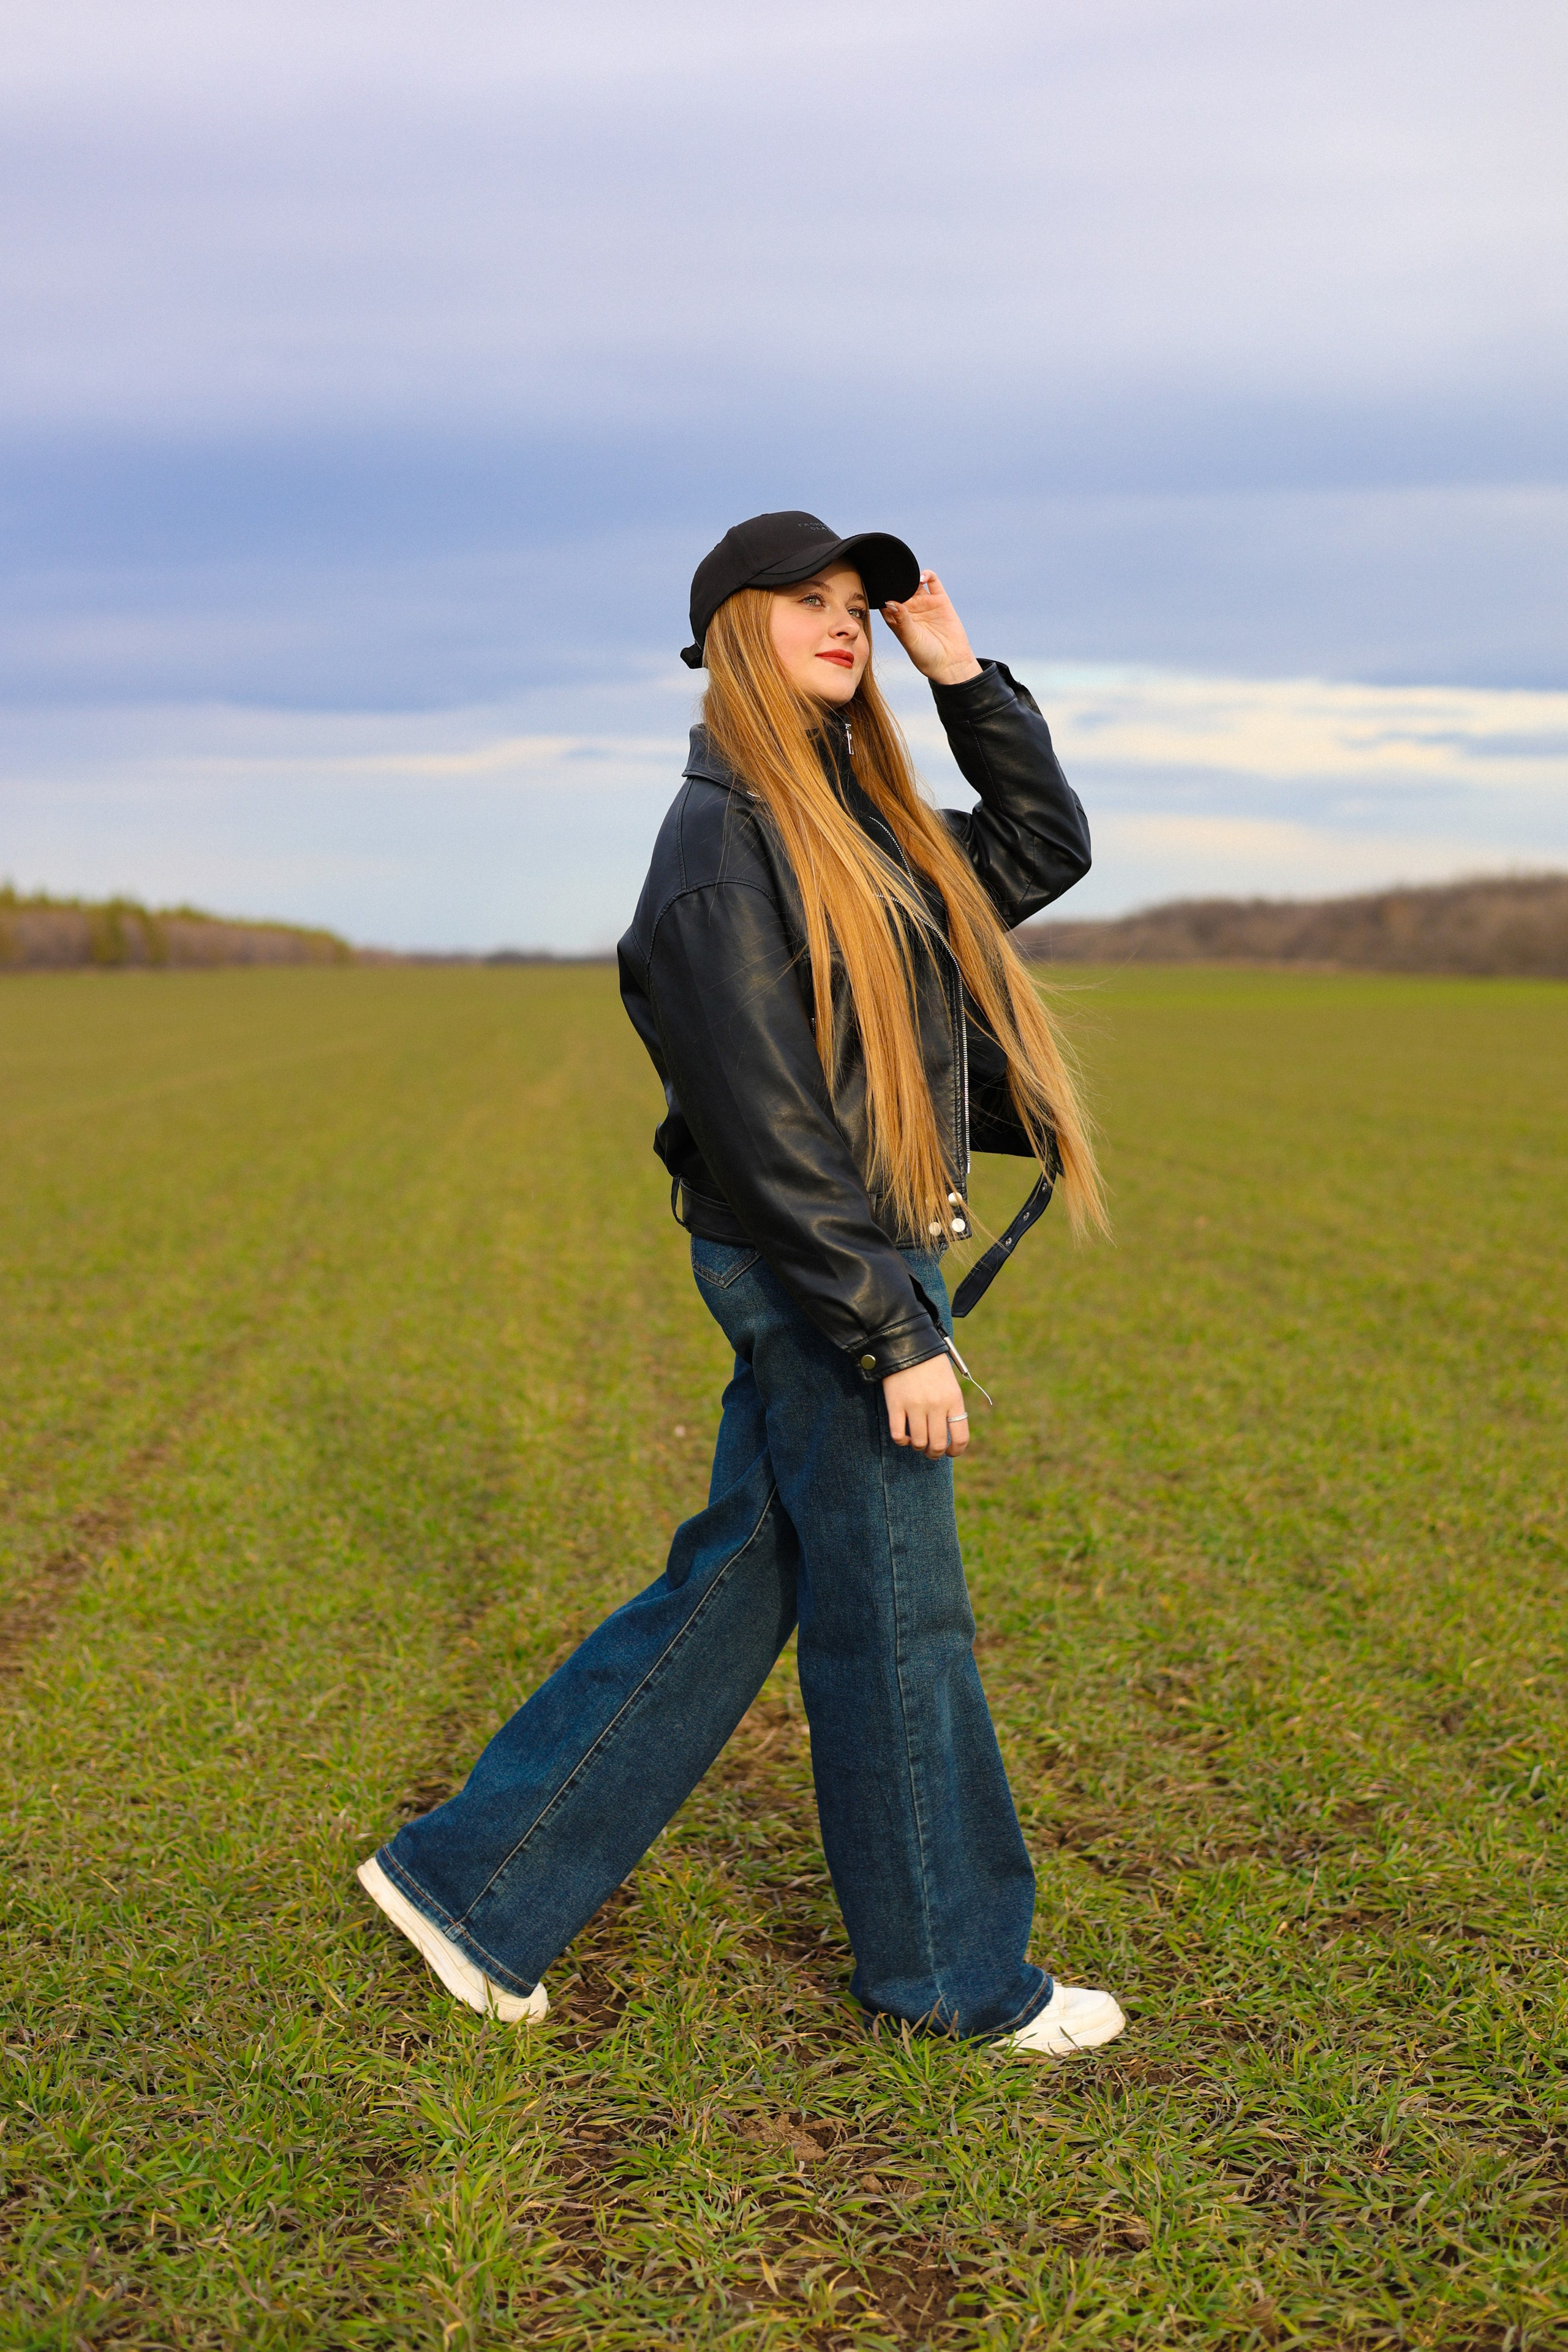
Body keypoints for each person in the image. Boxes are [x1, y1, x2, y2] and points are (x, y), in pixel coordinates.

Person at [358, 511, 1126, 2056]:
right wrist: (891, 1328)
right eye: (811, 603)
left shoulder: (858, 825)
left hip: (847, 1247)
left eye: (860, 603)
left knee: (744, 1579)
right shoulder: (722, 850)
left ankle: (469, 1884)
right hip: (819, 1259)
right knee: (899, 1616)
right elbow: (767, 1127)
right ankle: (954, 1979)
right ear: (730, 633)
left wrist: (960, 672)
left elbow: (1041, 848)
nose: (847, 620)